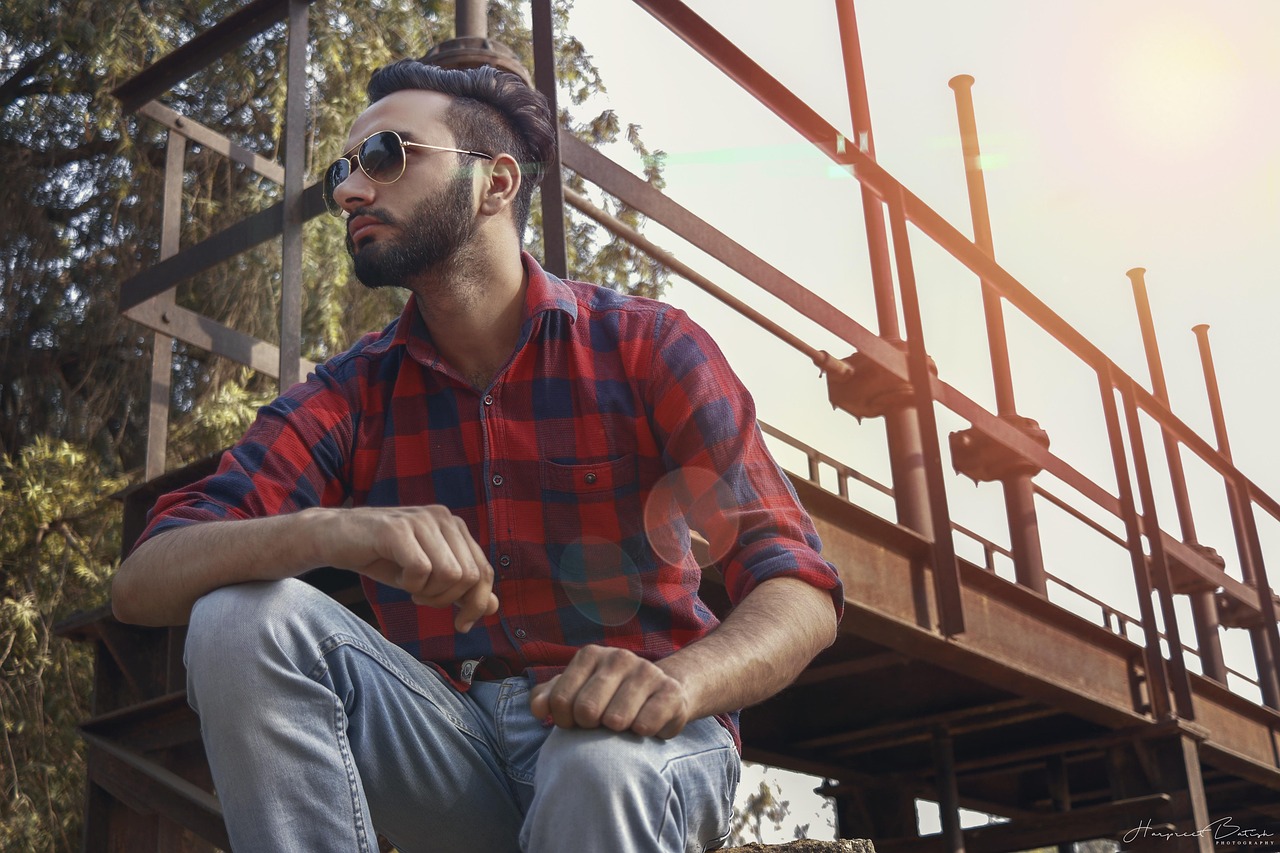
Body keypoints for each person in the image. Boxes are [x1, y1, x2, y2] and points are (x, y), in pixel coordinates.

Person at [112, 59, 842, 853]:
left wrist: (679, 682)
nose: (353, 191)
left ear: (495, 183)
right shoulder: (353, 391)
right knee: (235, 619)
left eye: (386, 155)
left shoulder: (648, 347)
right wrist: (332, 532)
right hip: (452, 752)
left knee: (594, 765)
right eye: (342, 172)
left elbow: (800, 589)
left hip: (642, 743)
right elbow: (144, 579)